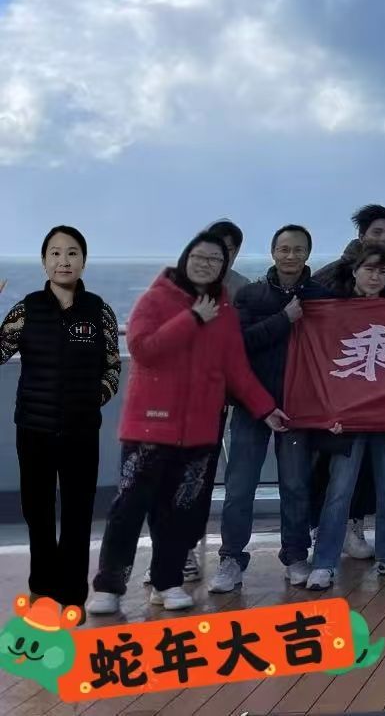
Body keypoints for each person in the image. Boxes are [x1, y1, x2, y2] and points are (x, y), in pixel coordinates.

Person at [87, 230, 286, 615]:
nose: (206, 264)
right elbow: (143, 349)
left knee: (179, 512)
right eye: (199, 256)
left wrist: (265, 408)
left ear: (224, 266)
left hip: (198, 431)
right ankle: (108, 586)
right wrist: (192, 318)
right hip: (150, 427)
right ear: (185, 257)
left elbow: (236, 369)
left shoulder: (224, 308)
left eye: (215, 259)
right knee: (129, 507)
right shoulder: (157, 298)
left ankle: (168, 582)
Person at [0, 225, 121, 609]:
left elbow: (113, 367)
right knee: (37, 513)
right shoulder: (26, 309)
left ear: (83, 261)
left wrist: (91, 400)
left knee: (78, 515)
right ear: (43, 261)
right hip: (33, 430)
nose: (63, 260)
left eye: (71, 253)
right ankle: (42, 587)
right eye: (55, 253)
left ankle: (72, 596)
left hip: (81, 431)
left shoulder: (99, 310)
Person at [210, 224, 326, 594]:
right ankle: (231, 558)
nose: (291, 256)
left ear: (308, 253)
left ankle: (295, 555)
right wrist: (283, 319)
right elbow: (238, 345)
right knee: (240, 486)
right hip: (251, 406)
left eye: (298, 249)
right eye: (284, 249)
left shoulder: (323, 297)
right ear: (273, 252)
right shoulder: (250, 295)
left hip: (299, 409)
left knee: (295, 485)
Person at [306, 242, 385, 589]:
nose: (376, 276)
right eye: (369, 269)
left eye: (383, 271)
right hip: (347, 418)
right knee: (339, 488)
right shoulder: (333, 310)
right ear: (354, 270)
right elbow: (321, 363)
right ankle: (324, 562)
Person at [179, 217, 248, 585]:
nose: (223, 255)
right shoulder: (173, 286)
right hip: (167, 402)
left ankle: (187, 548)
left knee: (200, 476)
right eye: (216, 247)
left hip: (213, 401)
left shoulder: (242, 289)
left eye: (231, 249)